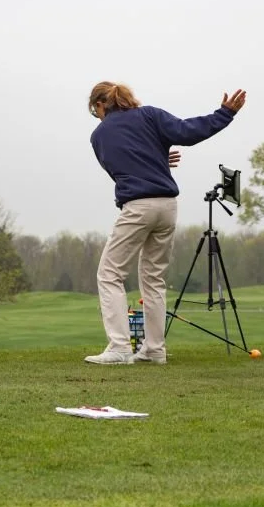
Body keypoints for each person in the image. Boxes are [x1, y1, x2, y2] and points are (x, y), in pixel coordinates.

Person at [84, 81, 246, 365]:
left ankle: (120, 348)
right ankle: (154, 349)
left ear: (100, 105)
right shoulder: (150, 115)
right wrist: (225, 113)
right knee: (153, 279)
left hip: (138, 207)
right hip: (167, 207)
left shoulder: (99, 136)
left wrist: (154, 159)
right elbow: (188, 132)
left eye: (95, 111)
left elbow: (121, 170)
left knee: (109, 275)